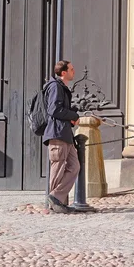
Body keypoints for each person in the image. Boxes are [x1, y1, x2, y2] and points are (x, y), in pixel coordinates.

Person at [43, 60, 80, 213]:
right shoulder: (55, 87)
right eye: (71, 69)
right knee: (57, 169)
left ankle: (56, 197)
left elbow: (59, 110)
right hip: (57, 134)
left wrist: (71, 116)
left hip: (65, 133)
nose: (74, 71)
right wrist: (73, 114)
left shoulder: (62, 88)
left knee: (74, 166)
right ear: (63, 72)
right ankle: (55, 204)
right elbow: (54, 109)